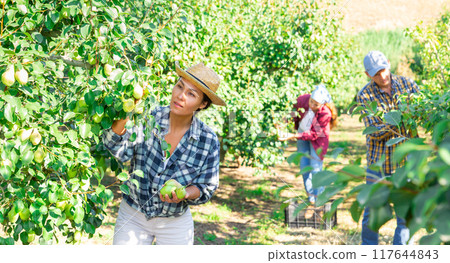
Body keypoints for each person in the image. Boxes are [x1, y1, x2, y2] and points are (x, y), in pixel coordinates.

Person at [102, 61, 226, 245]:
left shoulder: (207, 140)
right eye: (179, 86)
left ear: (202, 104)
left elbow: (206, 186)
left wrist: (184, 193)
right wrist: (127, 110)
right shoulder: (147, 117)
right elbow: (118, 149)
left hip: (174, 223)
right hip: (133, 214)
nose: (180, 96)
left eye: (191, 94)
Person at [357, 51, 419, 245]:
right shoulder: (365, 95)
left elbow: (421, 113)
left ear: (389, 64)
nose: (382, 76)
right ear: (368, 74)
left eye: (383, 70)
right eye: (376, 74)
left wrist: (392, 120)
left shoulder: (409, 85)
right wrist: (402, 117)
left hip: (406, 162)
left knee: (405, 215)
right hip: (379, 164)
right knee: (372, 214)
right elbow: (374, 131)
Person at [279, 84, 338, 204]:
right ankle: (312, 199)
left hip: (318, 139)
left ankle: (319, 200)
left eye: (316, 104)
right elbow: (293, 113)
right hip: (302, 133)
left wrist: (293, 136)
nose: (311, 105)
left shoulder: (325, 113)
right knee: (305, 168)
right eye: (311, 101)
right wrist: (283, 122)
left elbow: (314, 134)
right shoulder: (302, 99)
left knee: (316, 170)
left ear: (322, 104)